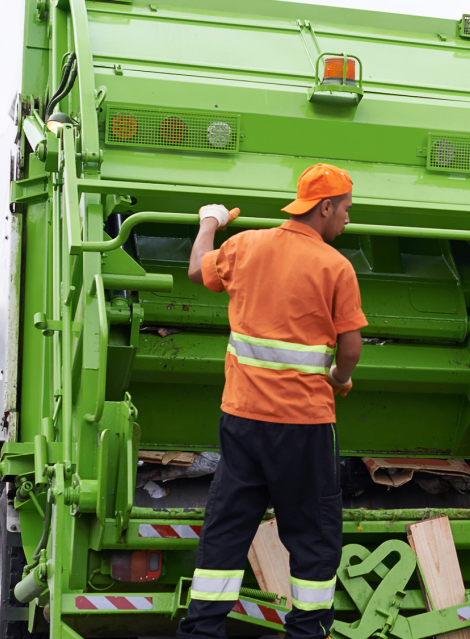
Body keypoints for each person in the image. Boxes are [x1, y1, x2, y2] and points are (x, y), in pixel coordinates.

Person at [177, 163, 366, 639]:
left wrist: (210, 222)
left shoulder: (245, 245)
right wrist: (340, 380)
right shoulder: (335, 266)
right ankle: (305, 632)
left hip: (242, 420)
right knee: (313, 534)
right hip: (304, 425)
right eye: (345, 209)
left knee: (228, 526)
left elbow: (197, 271)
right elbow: (350, 347)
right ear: (324, 207)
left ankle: (201, 631)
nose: (347, 218)